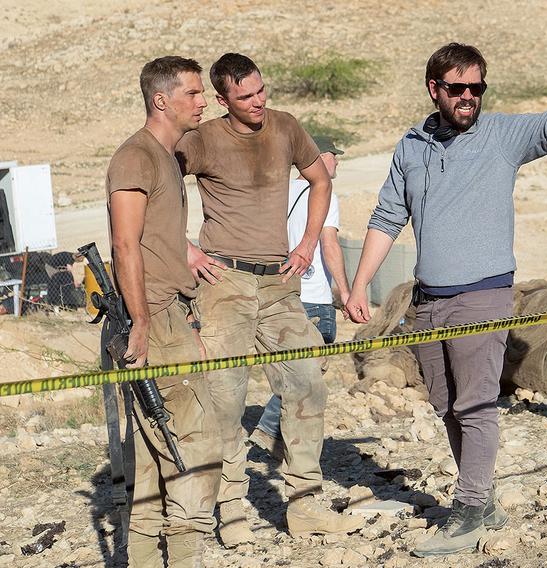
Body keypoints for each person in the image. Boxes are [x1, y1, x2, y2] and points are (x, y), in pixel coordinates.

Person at [344, 42, 547, 557]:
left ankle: (469, 510)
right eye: (458, 88)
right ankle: (484, 500)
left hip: (483, 295)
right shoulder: (410, 146)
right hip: (429, 300)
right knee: (447, 404)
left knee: (475, 402)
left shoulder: (501, 137)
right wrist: (360, 284)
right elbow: (387, 217)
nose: (469, 97)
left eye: (477, 87)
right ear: (435, 89)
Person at [175, 53, 364, 546]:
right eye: (245, 96)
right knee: (225, 399)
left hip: (280, 282)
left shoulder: (285, 127)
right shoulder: (202, 138)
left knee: (307, 383)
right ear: (223, 100)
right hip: (224, 285)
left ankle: (304, 508)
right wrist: (186, 248)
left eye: (261, 91)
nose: (258, 102)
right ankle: (232, 512)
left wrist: (306, 245)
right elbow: (157, 185)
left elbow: (320, 179)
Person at [106, 55, 221, 568]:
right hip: (151, 317)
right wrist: (144, 322)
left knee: (155, 459)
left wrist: (186, 253)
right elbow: (125, 246)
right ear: (162, 100)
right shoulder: (135, 158)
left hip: (170, 312)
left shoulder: (166, 157)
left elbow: (154, 238)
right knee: (195, 447)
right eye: (194, 93)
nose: (203, 101)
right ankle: (186, 554)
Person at [250, 136, 351, 457]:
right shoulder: (322, 193)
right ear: (319, 157)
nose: (338, 162)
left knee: (294, 368)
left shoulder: (279, 193)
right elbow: (329, 244)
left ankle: (282, 440)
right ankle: (268, 431)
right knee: (305, 370)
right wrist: (345, 291)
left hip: (281, 295)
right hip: (314, 296)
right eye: (334, 156)